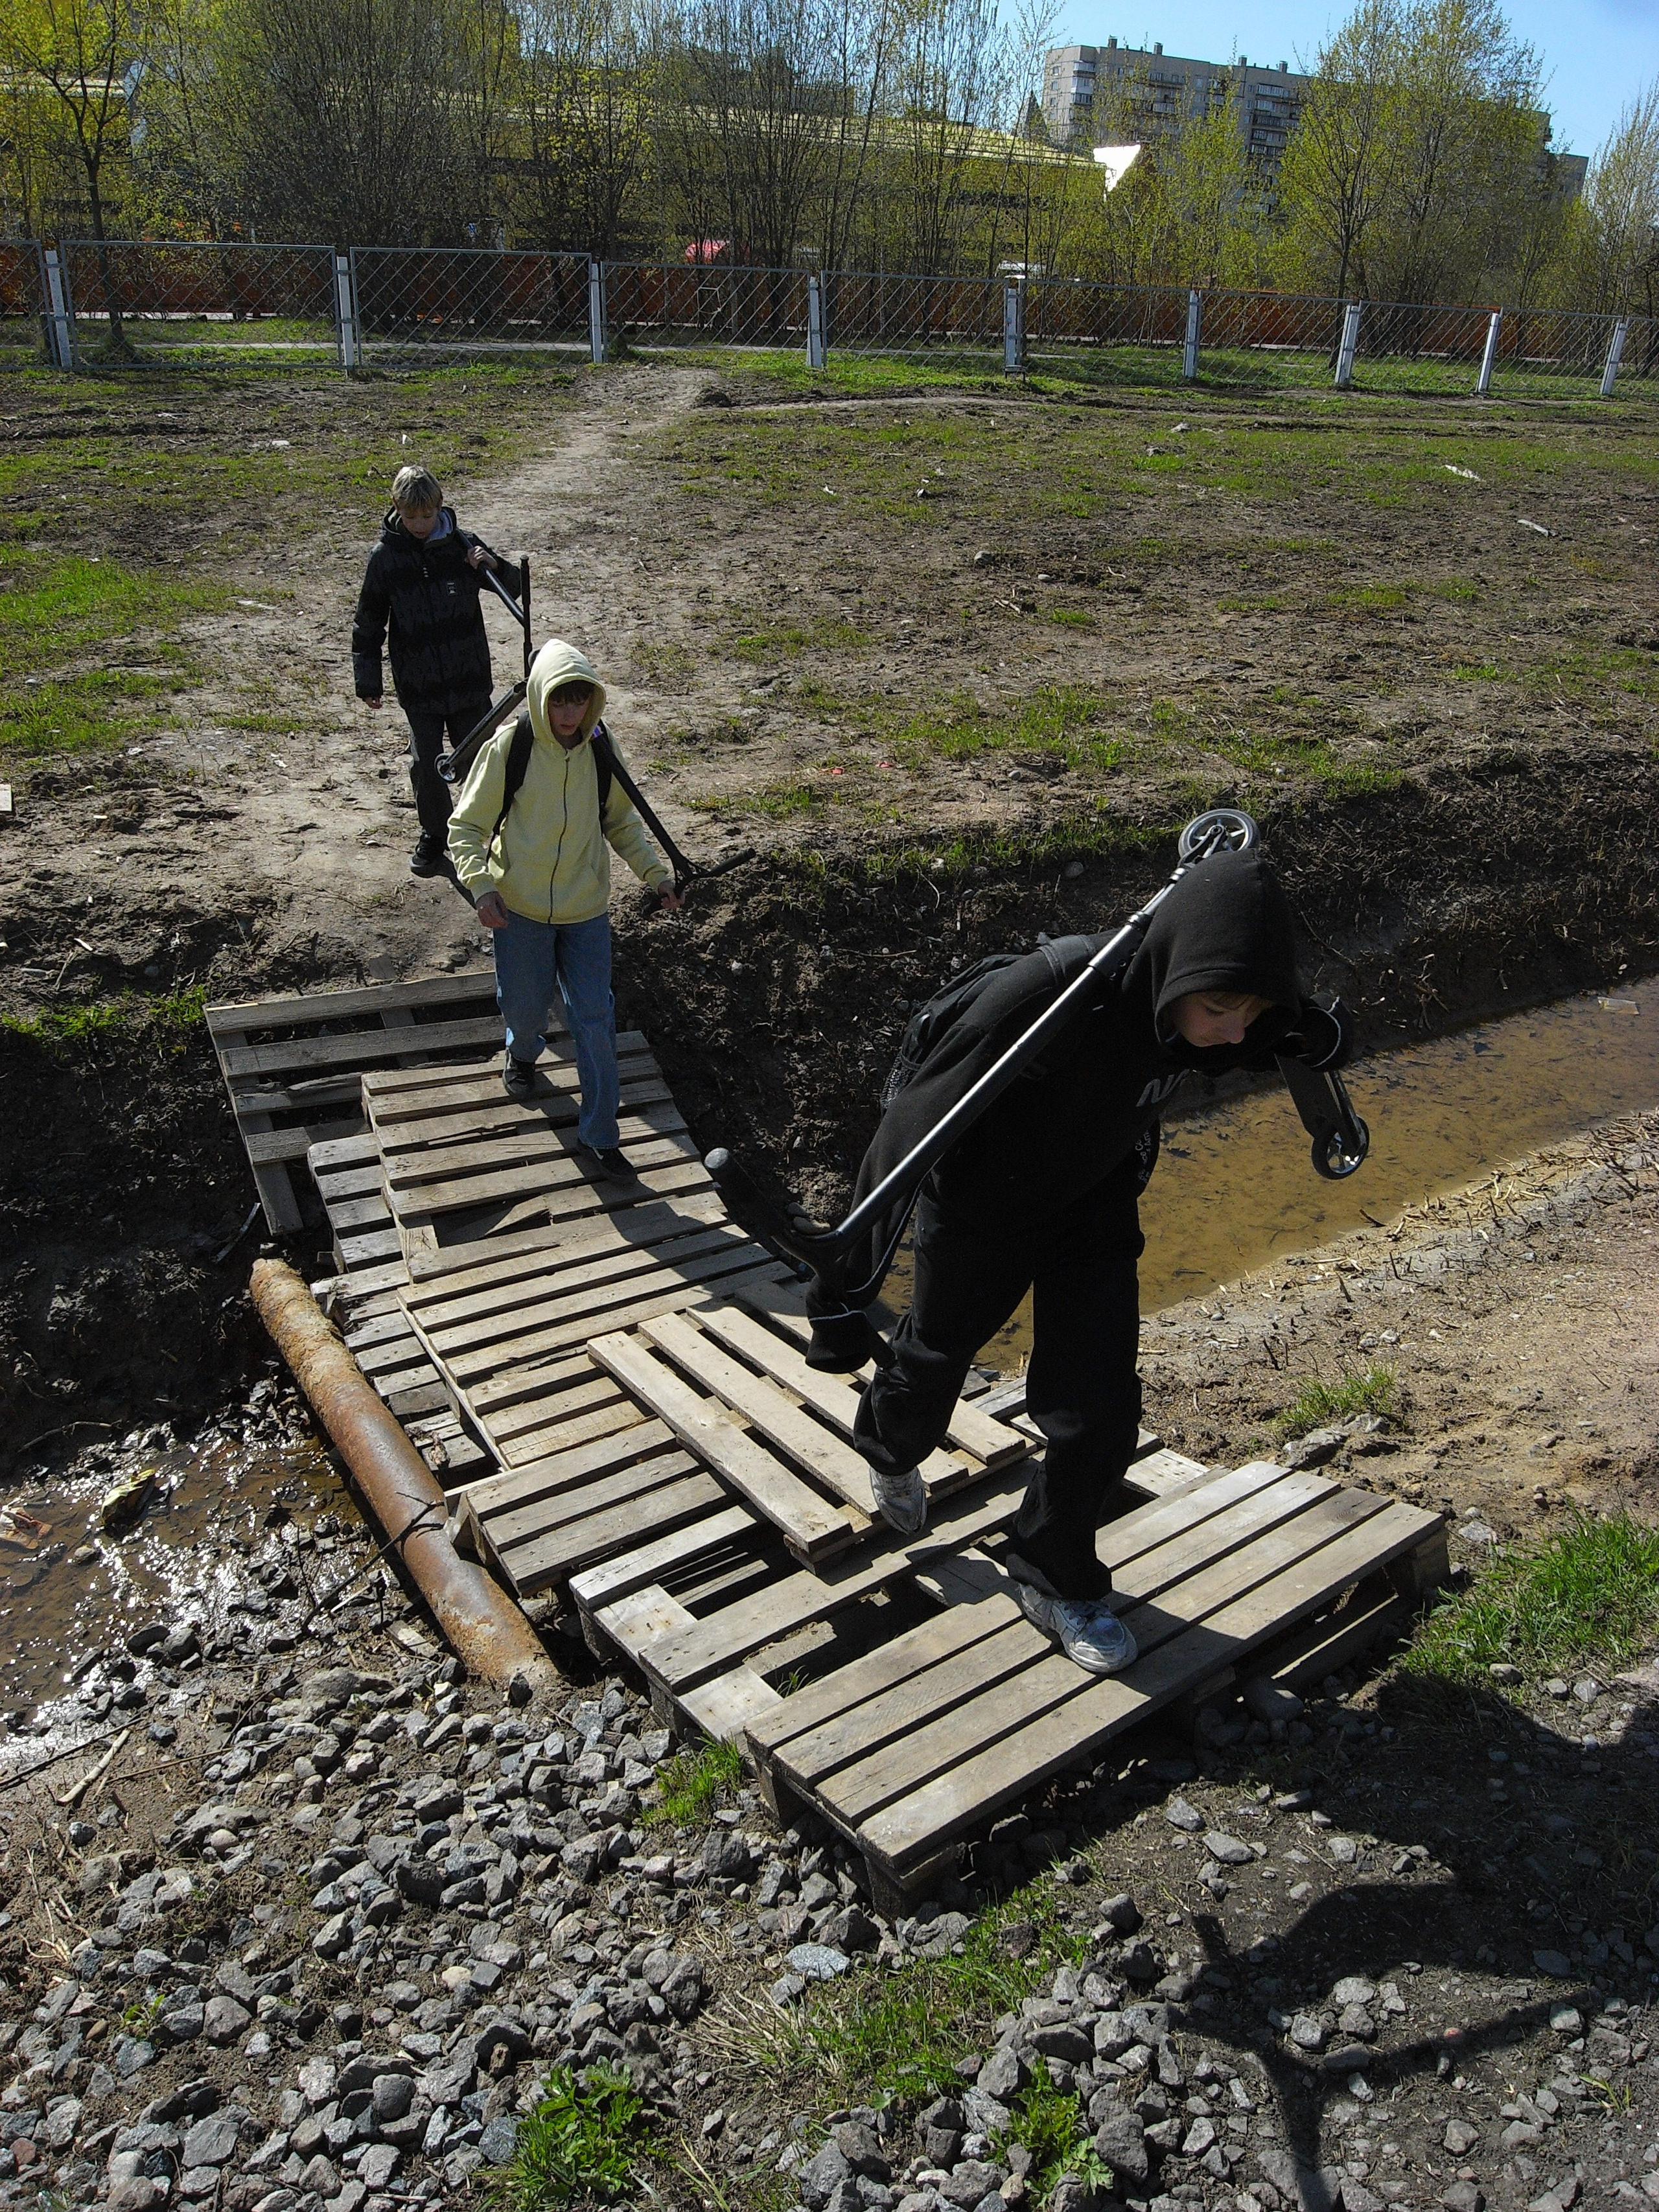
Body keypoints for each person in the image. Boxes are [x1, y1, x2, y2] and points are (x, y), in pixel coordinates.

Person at [821, 844, 1345, 1677]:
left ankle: (1052, 1571)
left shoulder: (1214, 1005)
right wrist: (843, 1286)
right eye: (1221, 1009)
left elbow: (1254, 1032)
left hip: (1094, 1201)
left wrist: (1313, 1034)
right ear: (1173, 972)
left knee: (1098, 1405)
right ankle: (890, 1449)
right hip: (984, 1202)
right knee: (936, 1352)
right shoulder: (1048, 995)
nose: (1234, 1031)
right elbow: (907, 1130)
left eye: (1252, 1011)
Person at [447, 638, 681, 1176]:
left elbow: (621, 822)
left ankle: (600, 1136)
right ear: (540, 697)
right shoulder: (510, 747)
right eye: (559, 699)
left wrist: (657, 877)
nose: (570, 712)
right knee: (524, 1005)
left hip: (585, 910)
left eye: (579, 700)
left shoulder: (601, 747)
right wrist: (482, 887)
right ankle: (522, 1051)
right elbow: (466, 826)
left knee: (594, 1016)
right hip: (520, 909)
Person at [351, 463, 503, 878]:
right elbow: (369, 622)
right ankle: (435, 834)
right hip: (418, 686)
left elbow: (514, 588)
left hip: (469, 680)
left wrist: (491, 565)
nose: (420, 524)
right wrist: (368, 679)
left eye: (427, 515)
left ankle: (494, 830)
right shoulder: (385, 559)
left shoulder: (463, 546)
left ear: (440, 506)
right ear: (396, 508)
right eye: (411, 516)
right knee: (426, 763)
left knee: (482, 757)